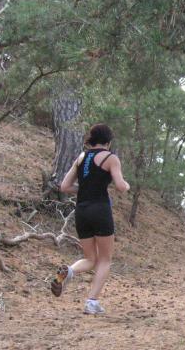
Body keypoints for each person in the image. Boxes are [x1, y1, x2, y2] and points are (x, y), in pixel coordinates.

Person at [50, 123, 130, 315]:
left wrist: (85, 188)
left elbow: (64, 186)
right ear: (108, 141)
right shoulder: (110, 158)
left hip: (81, 211)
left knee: (90, 258)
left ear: (92, 139)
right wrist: (127, 185)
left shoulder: (81, 157)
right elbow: (120, 186)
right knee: (105, 259)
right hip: (100, 210)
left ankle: (69, 271)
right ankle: (92, 302)